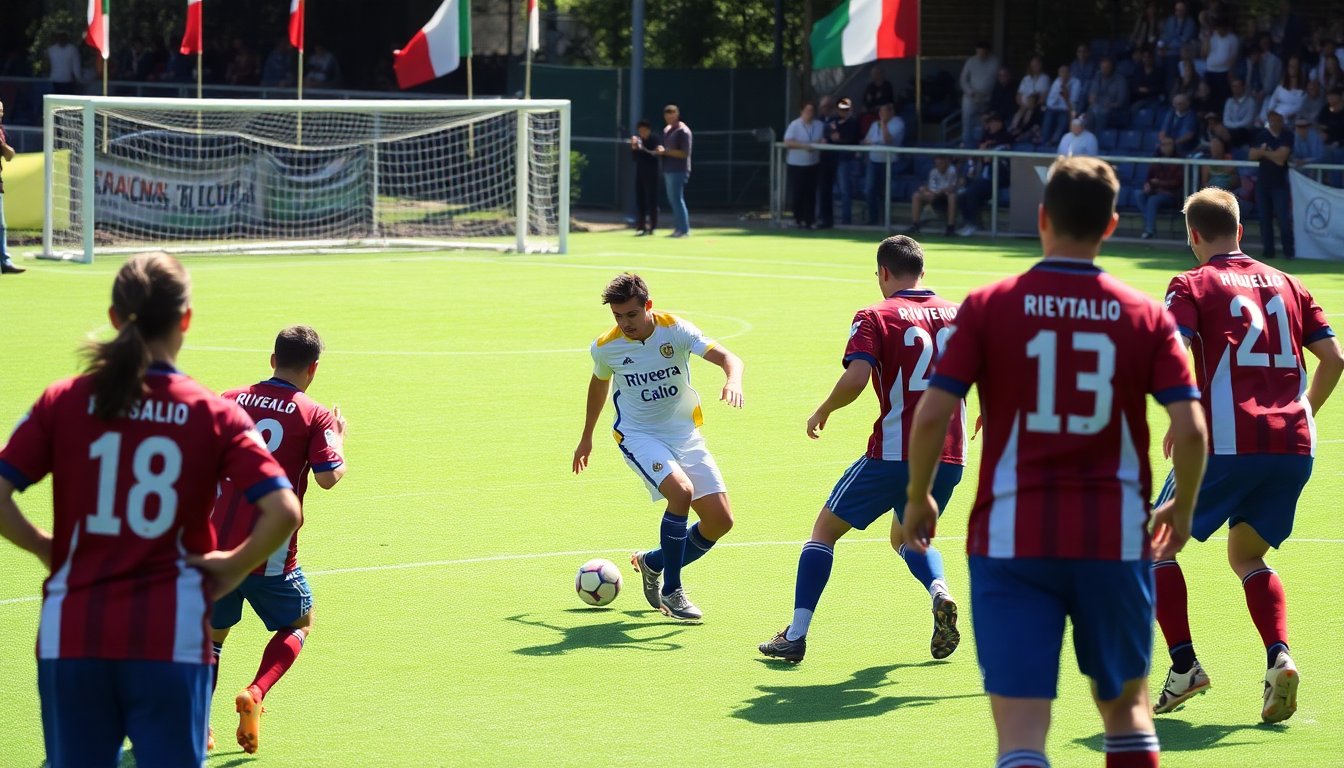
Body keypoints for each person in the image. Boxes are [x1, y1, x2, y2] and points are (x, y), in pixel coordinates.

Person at [902, 155, 1208, 768]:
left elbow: (933, 415)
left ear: (1042, 218)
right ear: (1113, 225)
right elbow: (1192, 428)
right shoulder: (1144, 314)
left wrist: (917, 496)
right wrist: (1185, 502)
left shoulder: (990, 305)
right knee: (1125, 714)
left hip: (1013, 540)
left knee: (1020, 733)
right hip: (1113, 537)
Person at [0, 252, 303, 768]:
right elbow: (284, 510)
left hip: (74, 631)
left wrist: (48, 548)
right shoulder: (211, 412)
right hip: (170, 633)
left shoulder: (64, 400)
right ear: (185, 320)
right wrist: (229, 568)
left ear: (117, 319)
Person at [1149, 187, 1343, 723]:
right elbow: (1334, 358)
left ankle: (1185, 666)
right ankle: (1279, 657)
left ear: (1193, 236)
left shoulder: (1191, 282)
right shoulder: (1289, 282)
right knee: (1246, 555)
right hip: (1293, 444)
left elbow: (1171, 349)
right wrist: (1301, 413)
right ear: (1241, 228)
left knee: (1153, 549)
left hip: (1228, 442)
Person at [758, 236, 966, 663]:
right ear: (922, 272)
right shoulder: (959, 314)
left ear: (883, 273)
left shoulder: (875, 314)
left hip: (894, 454)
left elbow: (856, 380)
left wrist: (823, 409)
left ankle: (795, 635)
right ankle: (939, 590)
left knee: (824, 533)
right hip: (948, 454)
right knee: (909, 535)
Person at [208, 326, 347, 755]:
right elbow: (327, 478)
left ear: (272, 360)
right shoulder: (314, 413)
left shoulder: (228, 399)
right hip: (269, 551)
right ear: (313, 369)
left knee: (211, 637)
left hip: (215, 546)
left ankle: (197, 725)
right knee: (300, 622)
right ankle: (256, 691)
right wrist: (339, 439)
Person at [573, 273, 744, 622]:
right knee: (680, 493)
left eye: (631, 315)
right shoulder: (607, 346)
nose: (624, 324)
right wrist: (587, 435)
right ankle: (672, 592)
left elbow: (730, 358)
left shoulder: (675, 330)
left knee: (719, 521)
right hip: (638, 435)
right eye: (618, 317)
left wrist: (732, 380)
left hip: (684, 434)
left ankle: (652, 563)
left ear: (648, 306)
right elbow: (599, 385)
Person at [1249, 110, 1294, 259]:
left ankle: (1289, 252)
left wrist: (1264, 152)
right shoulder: (1262, 135)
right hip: (1263, 185)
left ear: (1282, 120)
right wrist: (1271, 153)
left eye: (1277, 119)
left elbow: (1281, 159)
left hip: (1279, 184)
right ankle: (1268, 252)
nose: (1275, 123)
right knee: (1264, 219)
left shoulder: (1287, 135)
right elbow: (1252, 155)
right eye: (1272, 120)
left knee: (1283, 219)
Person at [821, 97, 861, 228]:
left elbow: (852, 140)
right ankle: (825, 218)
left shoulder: (853, 123)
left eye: (846, 109)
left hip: (845, 160)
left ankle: (846, 219)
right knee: (826, 189)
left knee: (845, 190)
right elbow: (827, 136)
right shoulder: (832, 121)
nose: (843, 112)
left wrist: (838, 139)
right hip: (829, 160)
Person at [862, 103, 905, 226]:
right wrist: (873, 141)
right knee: (869, 190)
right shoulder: (875, 124)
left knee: (885, 192)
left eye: (884, 111)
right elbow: (866, 141)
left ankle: (885, 221)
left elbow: (887, 140)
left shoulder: (898, 123)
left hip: (889, 162)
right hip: (873, 161)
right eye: (880, 112)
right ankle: (873, 219)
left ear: (891, 112)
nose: (881, 114)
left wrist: (884, 124)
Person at [784, 103, 825, 230]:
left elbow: (822, 140)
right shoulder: (795, 124)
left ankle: (810, 221)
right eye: (807, 110)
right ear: (802, 111)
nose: (810, 113)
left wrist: (816, 145)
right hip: (796, 164)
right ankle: (797, 219)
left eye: (812, 110)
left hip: (813, 164)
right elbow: (788, 141)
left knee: (811, 193)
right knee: (798, 192)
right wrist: (805, 146)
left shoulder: (819, 125)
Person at [1138, 136, 1185, 239]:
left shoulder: (1179, 161)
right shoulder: (1156, 160)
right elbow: (1149, 178)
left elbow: (1178, 183)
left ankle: (1149, 230)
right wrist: (1147, 185)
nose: (1165, 147)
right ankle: (1150, 226)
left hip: (1171, 195)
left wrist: (1159, 183)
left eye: (1168, 145)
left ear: (1174, 146)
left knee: (1153, 200)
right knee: (1139, 195)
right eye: (1163, 145)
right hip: (1156, 191)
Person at [658, 105, 693, 238]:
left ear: (677, 114)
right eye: (667, 113)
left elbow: (685, 153)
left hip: (679, 170)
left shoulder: (683, 131)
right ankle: (678, 228)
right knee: (673, 200)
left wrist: (666, 151)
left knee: (677, 199)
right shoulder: (667, 130)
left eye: (672, 113)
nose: (669, 116)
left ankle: (684, 230)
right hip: (668, 169)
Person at [907, 156, 960, 235]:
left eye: (941, 163)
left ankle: (950, 227)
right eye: (937, 163)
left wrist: (937, 193)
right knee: (916, 195)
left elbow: (952, 188)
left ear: (946, 162)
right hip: (935, 195)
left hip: (946, 196)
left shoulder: (952, 170)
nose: (939, 165)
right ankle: (916, 225)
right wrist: (925, 191)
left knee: (952, 196)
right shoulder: (933, 171)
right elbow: (932, 187)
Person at [961, 42, 1001, 147]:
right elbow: (963, 80)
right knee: (968, 120)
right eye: (979, 52)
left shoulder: (995, 62)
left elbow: (999, 79)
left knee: (986, 121)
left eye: (983, 52)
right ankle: (966, 144)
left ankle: (982, 144)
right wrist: (971, 93)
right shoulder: (971, 61)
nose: (981, 54)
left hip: (988, 97)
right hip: (972, 96)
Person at [0, 100, 21, 274]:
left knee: (1, 225)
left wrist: (5, 148)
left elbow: (8, 156)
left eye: (1, 111)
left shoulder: (1, 132)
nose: (0, 114)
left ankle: (5, 262)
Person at [630, 120, 661, 235]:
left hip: (652, 174)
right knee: (640, 200)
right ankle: (641, 226)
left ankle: (653, 226)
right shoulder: (638, 140)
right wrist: (634, 148)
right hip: (640, 173)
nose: (642, 133)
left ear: (648, 130)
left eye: (644, 130)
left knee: (652, 200)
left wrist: (642, 147)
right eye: (640, 131)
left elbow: (654, 154)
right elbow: (634, 158)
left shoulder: (655, 139)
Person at [1202, 15, 1239, 108]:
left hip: (1224, 72)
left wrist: (1230, 71)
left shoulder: (1232, 39)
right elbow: (1204, 54)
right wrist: (1207, 39)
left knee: (1222, 97)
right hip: (1210, 70)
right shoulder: (1211, 36)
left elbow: (1234, 57)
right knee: (1210, 96)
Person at [1042, 65, 1081, 144]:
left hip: (1067, 109)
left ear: (1069, 73)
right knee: (1048, 115)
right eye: (1061, 72)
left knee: (1063, 119)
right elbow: (1050, 102)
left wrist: (1066, 97)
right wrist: (1059, 90)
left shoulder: (1076, 82)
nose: (1063, 74)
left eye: (1065, 72)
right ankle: (1044, 141)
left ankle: (1054, 141)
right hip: (1054, 108)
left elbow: (1073, 105)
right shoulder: (1057, 82)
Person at [1087, 57, 1129, 131]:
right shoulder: (1098, 76)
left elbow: (1120, 102)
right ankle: (1089, 139)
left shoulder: (1120, 80)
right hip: (1098, 109)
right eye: (1102, 67)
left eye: (1107, 67)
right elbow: (1092, 95)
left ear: (1112, 68)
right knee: (1089, 114)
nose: (1104, 70)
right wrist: (1094, 104)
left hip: (1115, 111)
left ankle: (1098, 136)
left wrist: (1107, 106)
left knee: (1101, 113)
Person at [1222, 78, 1257, 146]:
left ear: (1243, 87)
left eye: (1237, 86)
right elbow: (1225, 120)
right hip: (1230, 130)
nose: (1235, 88)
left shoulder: (1250, 102)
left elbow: (1248, 121)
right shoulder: (1229, 101)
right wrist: (1233, 127)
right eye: (1233, 86)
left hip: (1244, 131)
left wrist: (1234, 126)